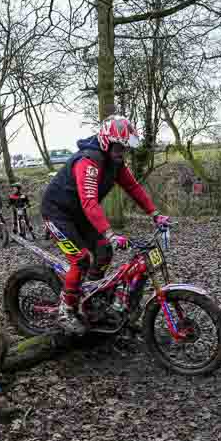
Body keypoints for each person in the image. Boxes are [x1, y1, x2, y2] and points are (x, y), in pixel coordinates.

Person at [41, 115, 170, 335]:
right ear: (106, 141)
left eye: (125, 148)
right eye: (119, 147)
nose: (122, 153)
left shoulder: (115, 163)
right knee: (81, 259)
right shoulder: (88, 162)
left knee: (104, 252)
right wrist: (109, 232)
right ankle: (67, 310)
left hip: (80, 214)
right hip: (58, 213)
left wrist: (155, 213)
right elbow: (89, 201)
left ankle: (90, 297)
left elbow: (133, 188)